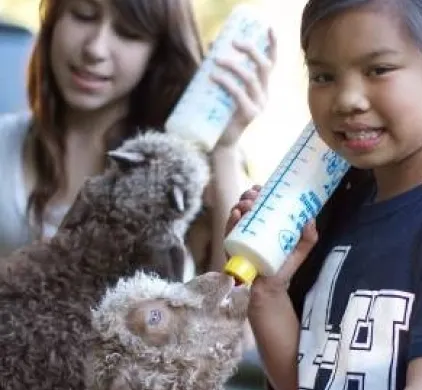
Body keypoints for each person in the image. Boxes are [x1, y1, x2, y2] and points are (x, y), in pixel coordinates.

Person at [227, 0, 422, 390]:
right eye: (323, 76)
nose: (346, 99)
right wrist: (270, 291)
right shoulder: (343, 210)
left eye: (378, 69)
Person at [0, 0, 275, 278]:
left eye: (128, 33)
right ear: (53, 20)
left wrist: (224, 148)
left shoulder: (186, 171)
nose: (95, 48)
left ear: (158, 51)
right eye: (83, 16)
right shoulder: (5, 142)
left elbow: (227, 301)